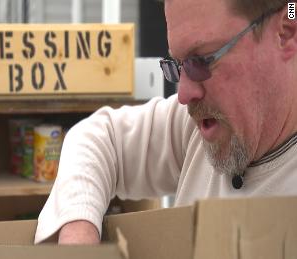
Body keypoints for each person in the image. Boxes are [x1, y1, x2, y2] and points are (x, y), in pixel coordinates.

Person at [35, 0, 297, 245]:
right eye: (178, 65)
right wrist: (79, 227)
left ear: (286, 32)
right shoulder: (200, 125)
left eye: (202, 60)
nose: (183, 95)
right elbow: (99, 137)